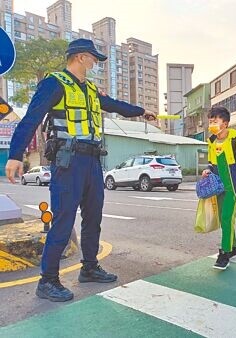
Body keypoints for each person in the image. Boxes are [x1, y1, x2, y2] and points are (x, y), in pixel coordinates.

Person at [5, 38, 156, 302]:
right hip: (68, 160)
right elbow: (32, 117)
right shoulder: (54, 83)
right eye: (93, 57)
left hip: (92, 161)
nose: (95, 62)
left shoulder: (90, 90)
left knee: (93, 217)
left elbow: (116, 106)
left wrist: (142, 111)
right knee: (63, 221)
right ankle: (48, 281)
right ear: (80, 57)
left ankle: (89, 267)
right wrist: (15, 155)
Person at [202, 106, 236, 270]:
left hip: (234, 186)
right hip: (218, 186)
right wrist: (207, 170)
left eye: (215, 121)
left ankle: (225, 253)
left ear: (225, 123)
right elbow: (211, 161)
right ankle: (234, 247)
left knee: (227, 216)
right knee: (223, 218)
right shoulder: (212, 141)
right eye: (210, 121)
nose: (212, 124)